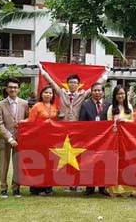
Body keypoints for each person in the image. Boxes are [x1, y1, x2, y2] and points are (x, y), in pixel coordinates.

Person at [38, 64, 108, 192]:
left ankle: (75, 183)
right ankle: (65, 182)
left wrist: (105, 74)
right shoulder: (62, 93)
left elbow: (96, 87)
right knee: (61, 156)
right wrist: (43, 72)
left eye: (75, 83)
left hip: (77, 130)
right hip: (63, 129)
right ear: (67, 84)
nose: (73, 85)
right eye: (70, 82)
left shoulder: (82, 94)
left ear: (78, 84)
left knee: (77, 157)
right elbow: (52, 83)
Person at [0, 78, 29, 198]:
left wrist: (23, 122)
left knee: (17, 164)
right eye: (10, 87)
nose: (13, 89)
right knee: (4, 164)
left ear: (19, 89)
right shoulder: (0, 104)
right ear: (6, 89)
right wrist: (9, 138)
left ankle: (16, 188)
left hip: (20, 139)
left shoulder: (24, 103)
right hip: (5, 139)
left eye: (15, 87)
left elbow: (29, 119)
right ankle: (3, 188)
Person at [79, 82, 111, 196]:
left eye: (99, 90)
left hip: (105, 140)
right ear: (91, 92)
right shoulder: (85, 105)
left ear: (103, 92)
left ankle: (103, 187)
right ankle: (90, 187)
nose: (97, 92)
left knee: (103, 163)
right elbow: (81, 123)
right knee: (90, 163)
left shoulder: (109, 105)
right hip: (90, 140)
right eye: (95, 90)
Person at [28, 85, 57, 195]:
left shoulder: (54, 106)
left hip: (51, 139)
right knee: (38, 162)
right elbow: (31, 123)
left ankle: (48, 186)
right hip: (38, 138)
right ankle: (36, 188)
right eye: (46, 93)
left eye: (50, 93)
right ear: (41, 94)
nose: (48, 95)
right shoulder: (37, 106)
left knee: (50, 163)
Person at [107, 85, 135, 196]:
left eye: (122, 93)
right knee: (115, 163)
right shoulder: (111, 108)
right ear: (115, 96)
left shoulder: (130, 107)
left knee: (127, 162)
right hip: (115, 140)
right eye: (118, 94)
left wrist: (125, 121)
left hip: (127, 140)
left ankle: (126, 189)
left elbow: (134, 122)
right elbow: (108, 124)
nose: (120, 96)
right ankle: (114, 189)